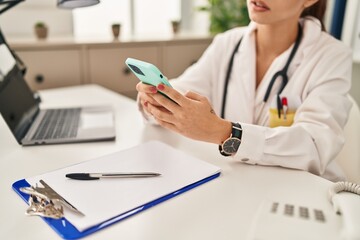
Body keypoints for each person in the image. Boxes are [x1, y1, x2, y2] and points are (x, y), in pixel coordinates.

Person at [136, 0, 353, 182]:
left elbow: (314, 146)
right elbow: (184, 89)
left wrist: (225, 133)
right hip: (241, 185)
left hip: (305, 191)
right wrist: (156, 100)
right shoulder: (227, 43)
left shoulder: (332, 55)